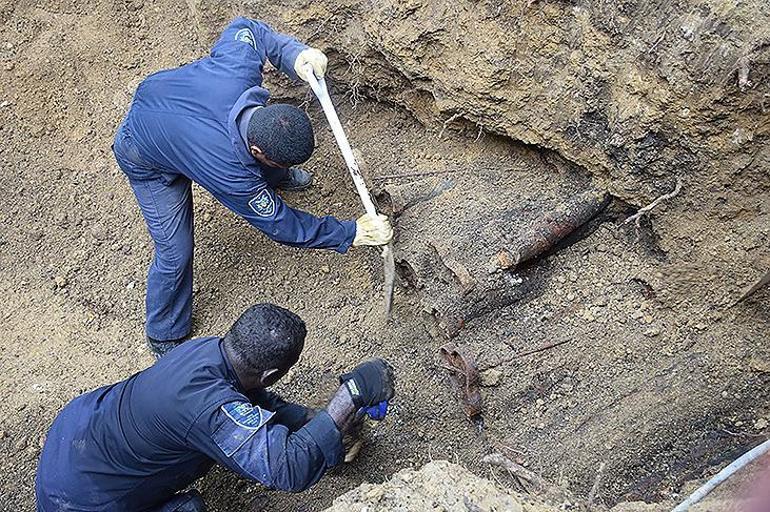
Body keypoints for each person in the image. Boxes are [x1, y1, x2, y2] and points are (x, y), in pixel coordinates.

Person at [112, 17, 393, 357]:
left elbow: (249, 29)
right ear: (257, 151)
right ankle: (164, 334)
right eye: (278, 163)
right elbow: (281, 225)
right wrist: (350, 233)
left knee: (266, 166)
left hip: (167, 98)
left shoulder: (238, 70)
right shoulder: (230, 173)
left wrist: (295, 55)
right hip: (144, 152)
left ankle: (278, 176)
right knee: (175, 252)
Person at [35, 303, 396, 512]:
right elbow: (287, 469)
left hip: (75, 435)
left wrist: (314, 421)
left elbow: (254, 399)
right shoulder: (208, 409)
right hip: (77, 499)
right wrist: (349, 396)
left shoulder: (213, 350)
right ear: (271, 373)